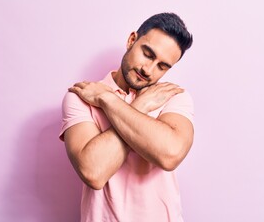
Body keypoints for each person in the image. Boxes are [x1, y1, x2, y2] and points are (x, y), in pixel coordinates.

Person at [59, 12, 194, 222]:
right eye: (148, 54)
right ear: (132, 40)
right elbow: (93, 171)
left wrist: (107, 99)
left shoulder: (173, 97)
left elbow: (170, 155)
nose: (148, 70)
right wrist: (141, 105)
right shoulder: (82, 97)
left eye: (162, 66)